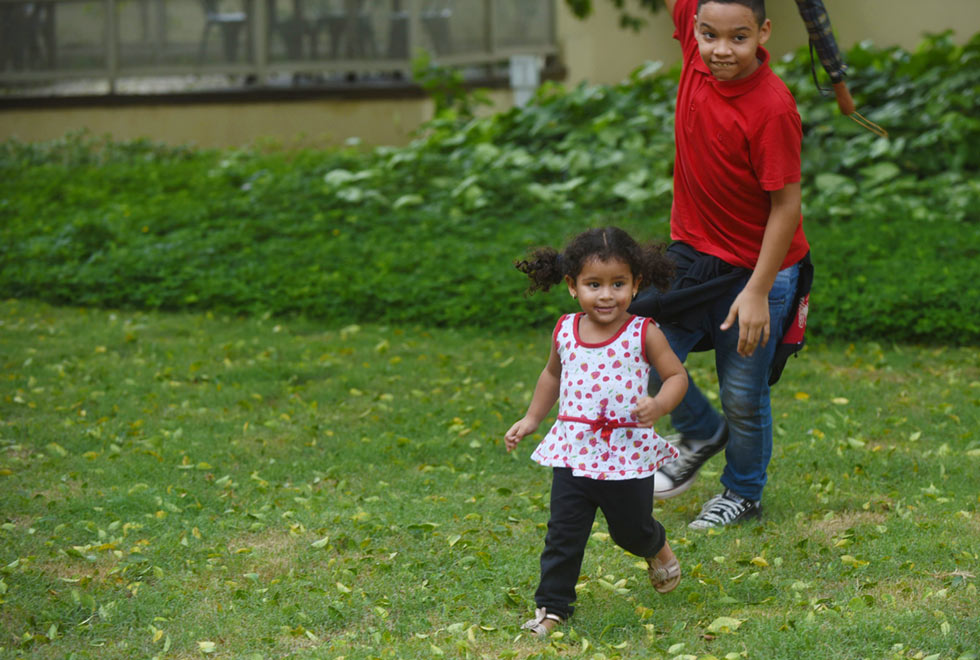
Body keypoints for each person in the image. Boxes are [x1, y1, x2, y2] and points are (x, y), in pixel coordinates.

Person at [628, 0, 812, 529]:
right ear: (694, 30)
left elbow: (786, 207)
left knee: (743, 394)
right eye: (709, 35)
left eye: (738, 38)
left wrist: (756, 292)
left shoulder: (772, 108)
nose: (721, 50)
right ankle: (701, 429)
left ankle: (744, 492)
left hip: (759, 272)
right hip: (691, 256)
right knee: (633, 360)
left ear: (763, 34)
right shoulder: (696, 51)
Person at [505, 227, 689, 637]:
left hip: (626, 455)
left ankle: (654, 544)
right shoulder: (565, 331)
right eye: (594, 285)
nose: (606, 295)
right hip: (574, 453)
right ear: (572, 287)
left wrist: (658, 405)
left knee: (630, 530)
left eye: (618, 284)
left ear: (636, 284)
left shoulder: (643, 332)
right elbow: (551, 376)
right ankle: (552, 609)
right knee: (563, 535)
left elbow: (676, 376)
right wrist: (532, 419)